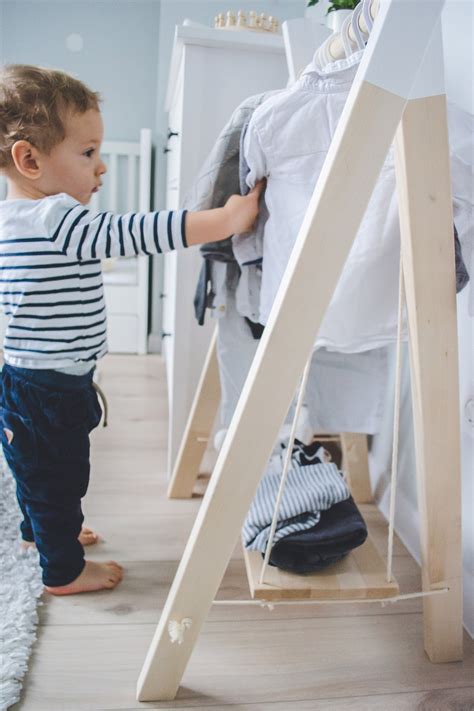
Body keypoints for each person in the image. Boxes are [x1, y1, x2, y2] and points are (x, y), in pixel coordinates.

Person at [0, 64, 263, 595]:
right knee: (61, 473)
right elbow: (135, 233)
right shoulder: (55, 216)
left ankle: (42, 533)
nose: (100, 169)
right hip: (48, 387)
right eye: (88, 152)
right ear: (29, 160)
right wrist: (224, 220)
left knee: (38, 470)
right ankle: (63, 571)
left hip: (25, 380)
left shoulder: (15, 220)